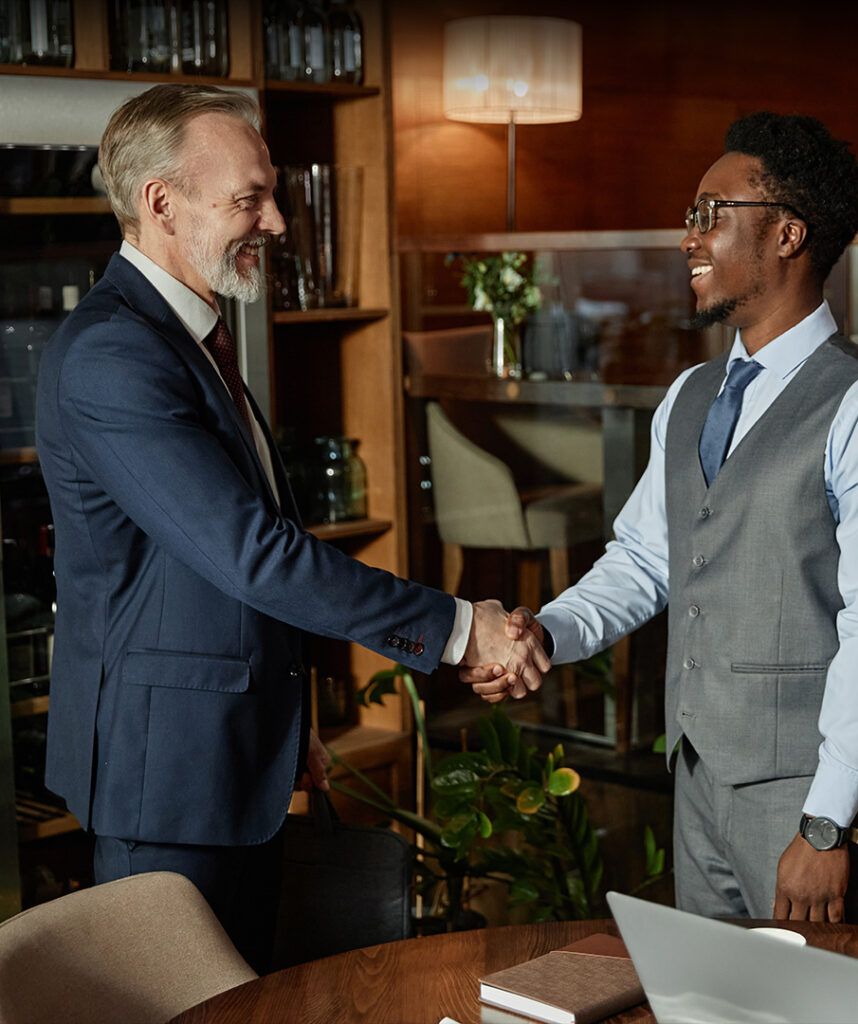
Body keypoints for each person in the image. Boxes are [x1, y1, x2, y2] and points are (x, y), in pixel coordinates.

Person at [34, 83, 547, 972]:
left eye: (270, 195)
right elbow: (256, 557)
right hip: (170, 782)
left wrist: (284, 717)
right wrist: (463, 630)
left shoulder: (188, 337)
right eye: (250, 199)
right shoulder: (115, 354)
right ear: (162, 202)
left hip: (232, 754)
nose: (274, 222)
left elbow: (212, 569)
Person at [462, 111, 858, 928]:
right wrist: (549, 631)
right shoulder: (690, 396)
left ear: (788, 234)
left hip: (813, 800)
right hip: (697, 783)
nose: (688, 237)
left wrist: (826, 822)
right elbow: (647, 558)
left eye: (710, 214)